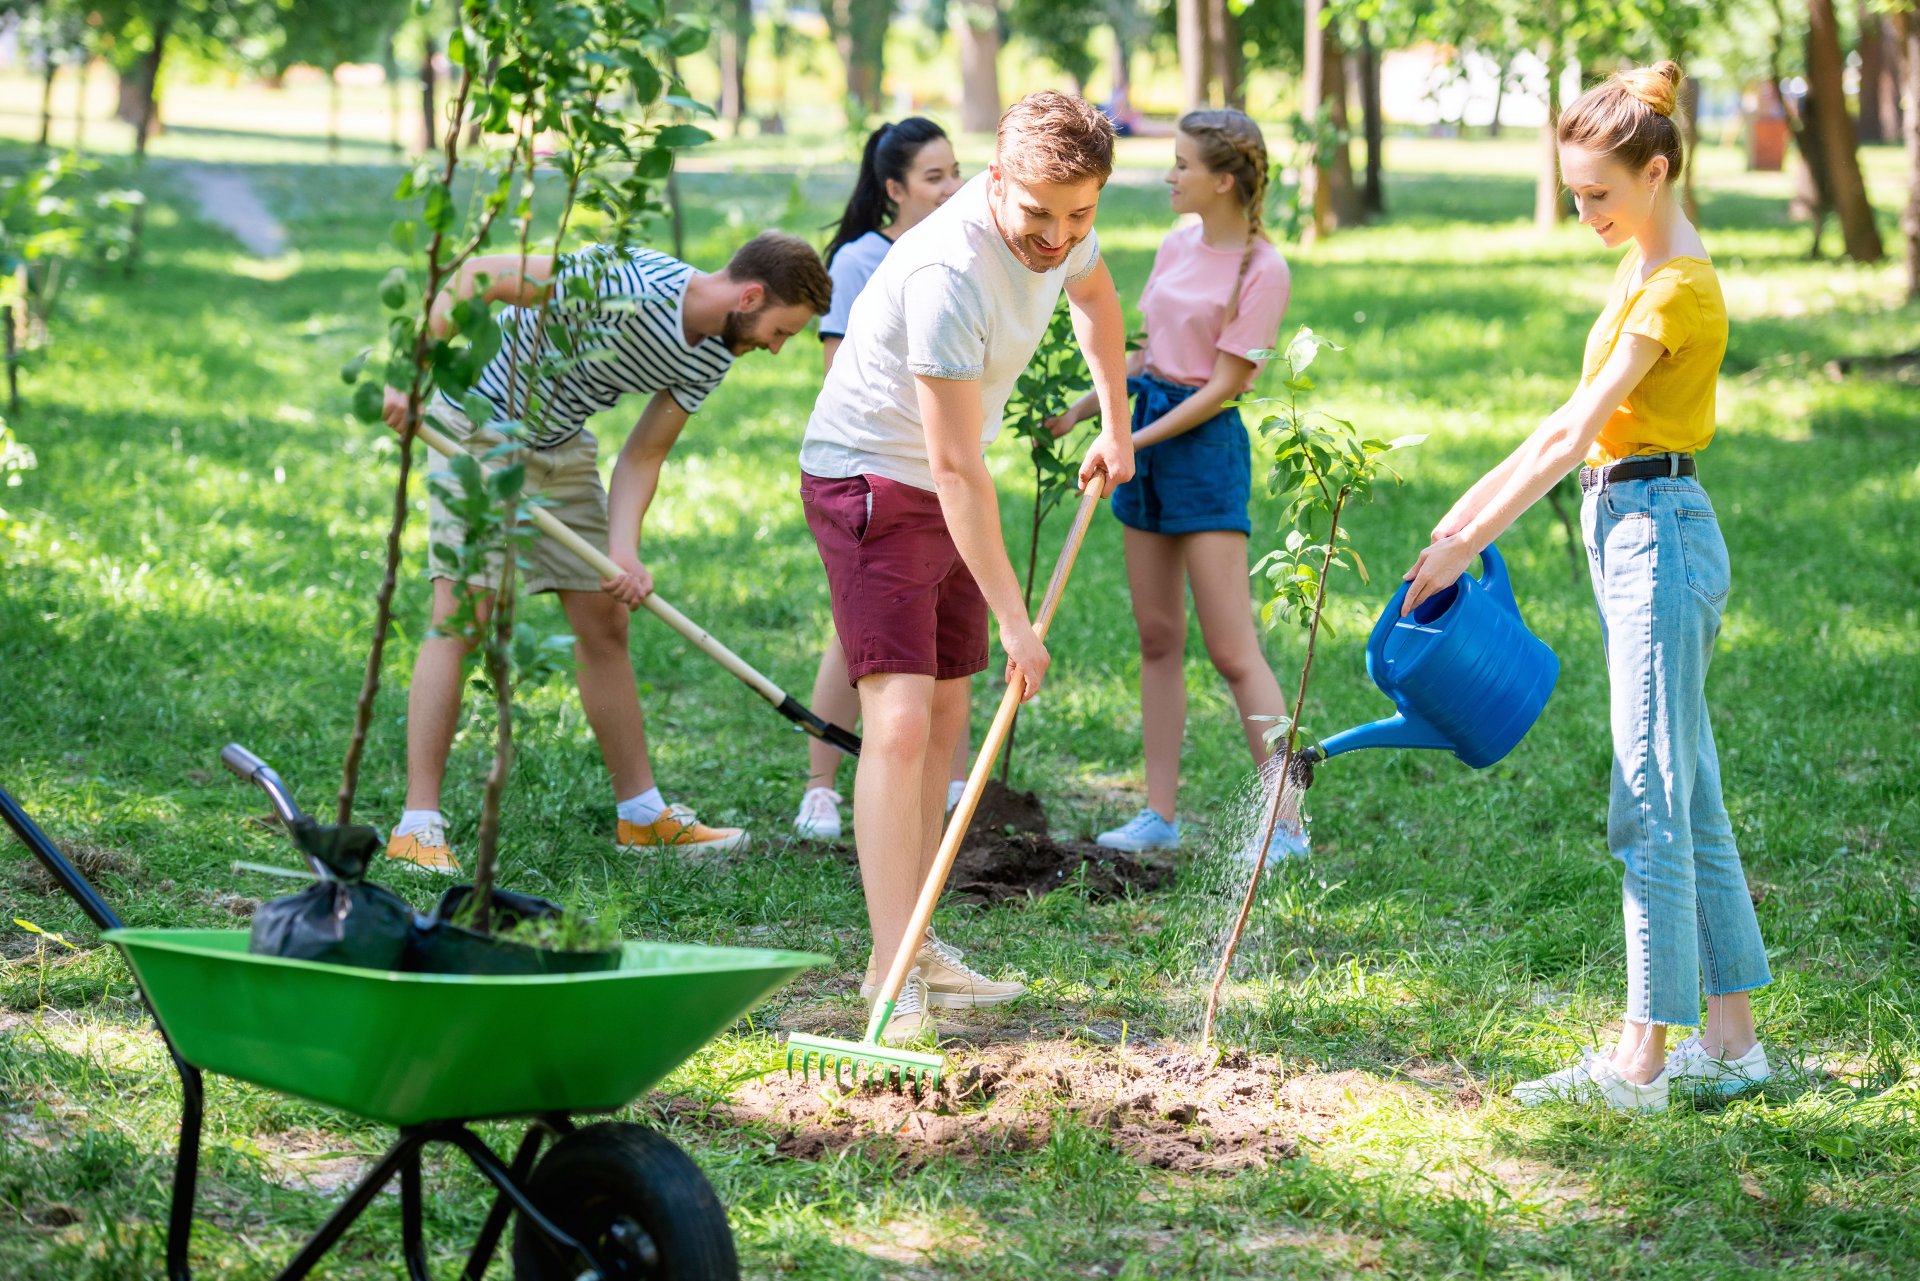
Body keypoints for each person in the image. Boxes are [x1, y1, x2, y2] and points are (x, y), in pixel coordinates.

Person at [1400, 61, 1771, 1113]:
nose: (1584, 212)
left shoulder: (1679, 289)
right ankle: (1734, 1044)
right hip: (1633, 528)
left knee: (1648, 790)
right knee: (1684, 781)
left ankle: (1640, 1059)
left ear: (1656, 173)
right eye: (1574, 192)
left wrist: (1472, 539)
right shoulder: (1641, 265)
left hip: (1660, 535)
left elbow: (1574, 432)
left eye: (1600, 193)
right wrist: (1459, 522)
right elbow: (1564, 421)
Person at [799, 92, 1134, 1042]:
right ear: (997, 180)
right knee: (901, 723)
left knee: (947, 712)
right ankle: (887, 969)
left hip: (949, 485)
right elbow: (950, 467)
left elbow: (1098, 301)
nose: (1058, 236)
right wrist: (1019, 620)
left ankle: (919, 941)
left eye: (1081, 215)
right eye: (1038, 215)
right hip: (873, 479)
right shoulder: (950, 271)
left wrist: (1114, 421)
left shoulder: (1063, 222)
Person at [381, 233, 832, 873]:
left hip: (559, 447)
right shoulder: (627, 286)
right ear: (749, 296)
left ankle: (641, 814)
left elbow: (644, 453)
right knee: (463, 616)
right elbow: (479, 274)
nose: (775, 346)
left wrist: (623, 551)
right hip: (476, 429)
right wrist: (408, 374)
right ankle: (417, 825)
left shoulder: (709, 355)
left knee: (605, 620)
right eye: (780, 331)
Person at [1047, 110, 1296, 867]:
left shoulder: (1263, 270)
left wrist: (1126, 437)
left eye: (1184, 164)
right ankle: (1159, 813)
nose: (1170, 175)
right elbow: (1149, 351)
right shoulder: (1175, 242)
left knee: (1232, 648)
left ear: (1224, 180)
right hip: (1143, 433)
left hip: (1202, 448)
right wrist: (1086, 410)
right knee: (1157, 637)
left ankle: (1286, 822)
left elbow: (1221, 388)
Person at [794, 117, 968, 843]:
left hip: (938, 478)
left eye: (955, 171)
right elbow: (841, 367)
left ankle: (941, 781)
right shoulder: (865, 259)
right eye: (933, 176)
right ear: (893, 189)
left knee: (936, 649)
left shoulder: (955, 257)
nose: (951, 187)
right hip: (875, 472)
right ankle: (822, 785)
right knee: (858, 642)